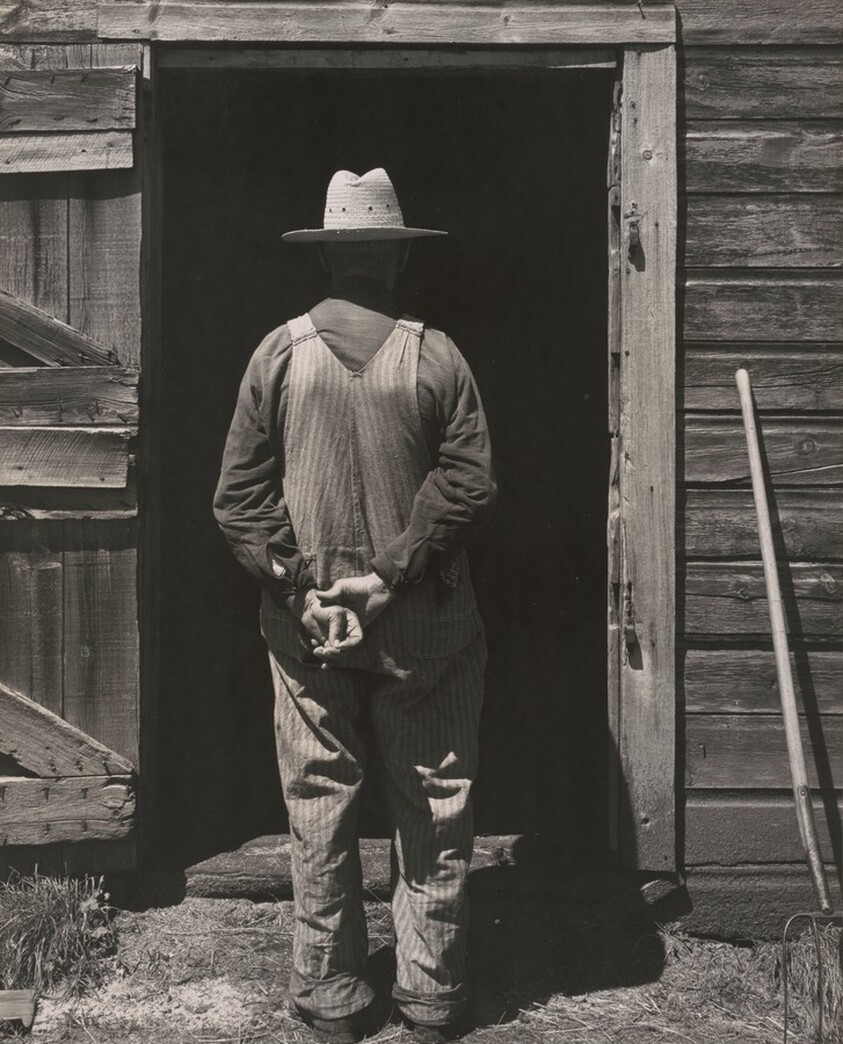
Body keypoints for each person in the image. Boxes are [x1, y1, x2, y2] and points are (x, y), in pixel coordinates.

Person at [214, 168, 496, 1044]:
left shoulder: (278, 353)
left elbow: (237, 499)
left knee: (319, 802)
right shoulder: (437, 356)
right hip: (424, 626)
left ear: (332, 258)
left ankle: (332, 998)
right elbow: (469, 482)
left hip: (309, 632)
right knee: (435, 801)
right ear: (395, 262)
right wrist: (387, 576)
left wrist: (301, 588)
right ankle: (432, 995)